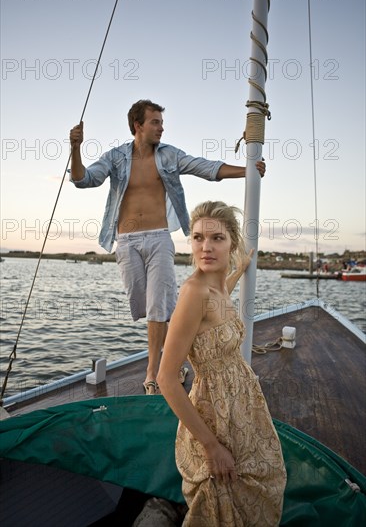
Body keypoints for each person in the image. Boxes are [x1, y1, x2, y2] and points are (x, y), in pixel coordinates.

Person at [69, 100, 266, 395]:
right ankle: (184, 335)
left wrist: (249, 170)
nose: (162, 127)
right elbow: (83, 180)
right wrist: (76, 148)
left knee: (157, 307)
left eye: (161, 122)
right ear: (138, 126)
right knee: (143, 304)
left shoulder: (169, 155)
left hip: (160, 236)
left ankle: (154, 373)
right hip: (126, 241)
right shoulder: (115, 158)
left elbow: (205, 167)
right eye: (155, 122)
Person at [157, 201, 287, 526]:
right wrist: (212, 447)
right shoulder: (193, 294)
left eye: (217, 238)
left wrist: (240, 268)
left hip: (241, 408)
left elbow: (220, 297)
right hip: (215, 417)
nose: (206, 247)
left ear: (231, 241)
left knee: (259, 487)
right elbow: (166, 379)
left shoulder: (216, 287)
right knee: (223, 502)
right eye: (199, 238)